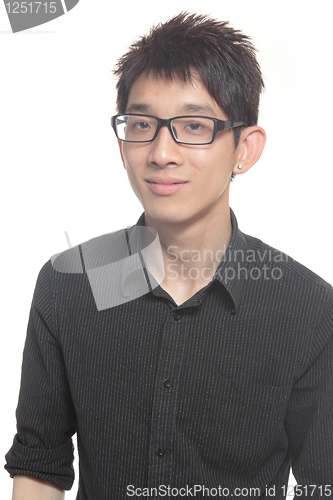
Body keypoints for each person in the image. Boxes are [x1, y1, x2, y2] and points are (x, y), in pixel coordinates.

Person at [5, 12, 333, 500]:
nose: (162, 152)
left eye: (193, 126)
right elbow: (39, 464)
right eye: (141, 124)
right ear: (122, 143)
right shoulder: (69, 284)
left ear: (246, 148)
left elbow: (321, 483)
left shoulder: (308, 309)